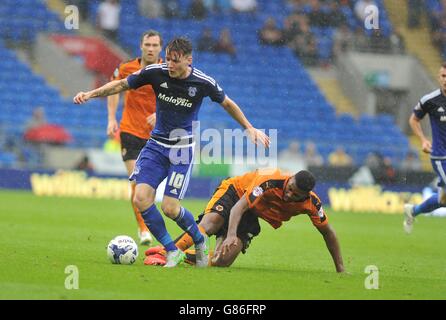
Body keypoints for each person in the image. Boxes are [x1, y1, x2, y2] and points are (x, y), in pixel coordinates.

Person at [73, 37, 270, 267]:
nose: (169, 65)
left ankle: (199, 239)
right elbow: (121, 84)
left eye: (175, 61)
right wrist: (89, 94)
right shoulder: (156, 72)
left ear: (189, 60)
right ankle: (171, 250)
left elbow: (227, 103)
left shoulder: (202, 81)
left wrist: (249, 127)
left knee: (169, 208)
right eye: (167, 59)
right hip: (156, 146)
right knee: (141, 198)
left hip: (181, 150)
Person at [145, 168, 345, 273]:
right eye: (290, 187)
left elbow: (328, 233)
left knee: (222, 261)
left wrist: (340, 269)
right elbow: (239, 206)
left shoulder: (312, 204)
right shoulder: (270, 180)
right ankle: (167, 253)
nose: (289, 194)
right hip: (236, 193)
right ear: (290, 178)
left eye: (295, 194)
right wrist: (231, 234)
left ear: (305, 195)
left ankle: (184, 255)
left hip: (252, 213)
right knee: (211, 222)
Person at [107, 30, 163, 246]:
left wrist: (160, 114)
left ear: (160, 48)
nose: (150, 48)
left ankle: (151, 224)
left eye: (154, 45)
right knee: (136, 181)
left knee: (149, 187)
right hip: (130, 132)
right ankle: (143, 229)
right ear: (141, 46)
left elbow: (178, 99)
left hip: (157, 136)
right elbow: (113, 89)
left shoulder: (167, 72)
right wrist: (111, 118)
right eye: (147, 44)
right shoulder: (126, 67)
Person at [404, 62, 446, 234]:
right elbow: (413, 119)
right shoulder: (430, 100)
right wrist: (422, 140)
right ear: (438, 77)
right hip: (440, 156)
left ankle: (413, 211)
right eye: (443, 76)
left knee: (443, 200)